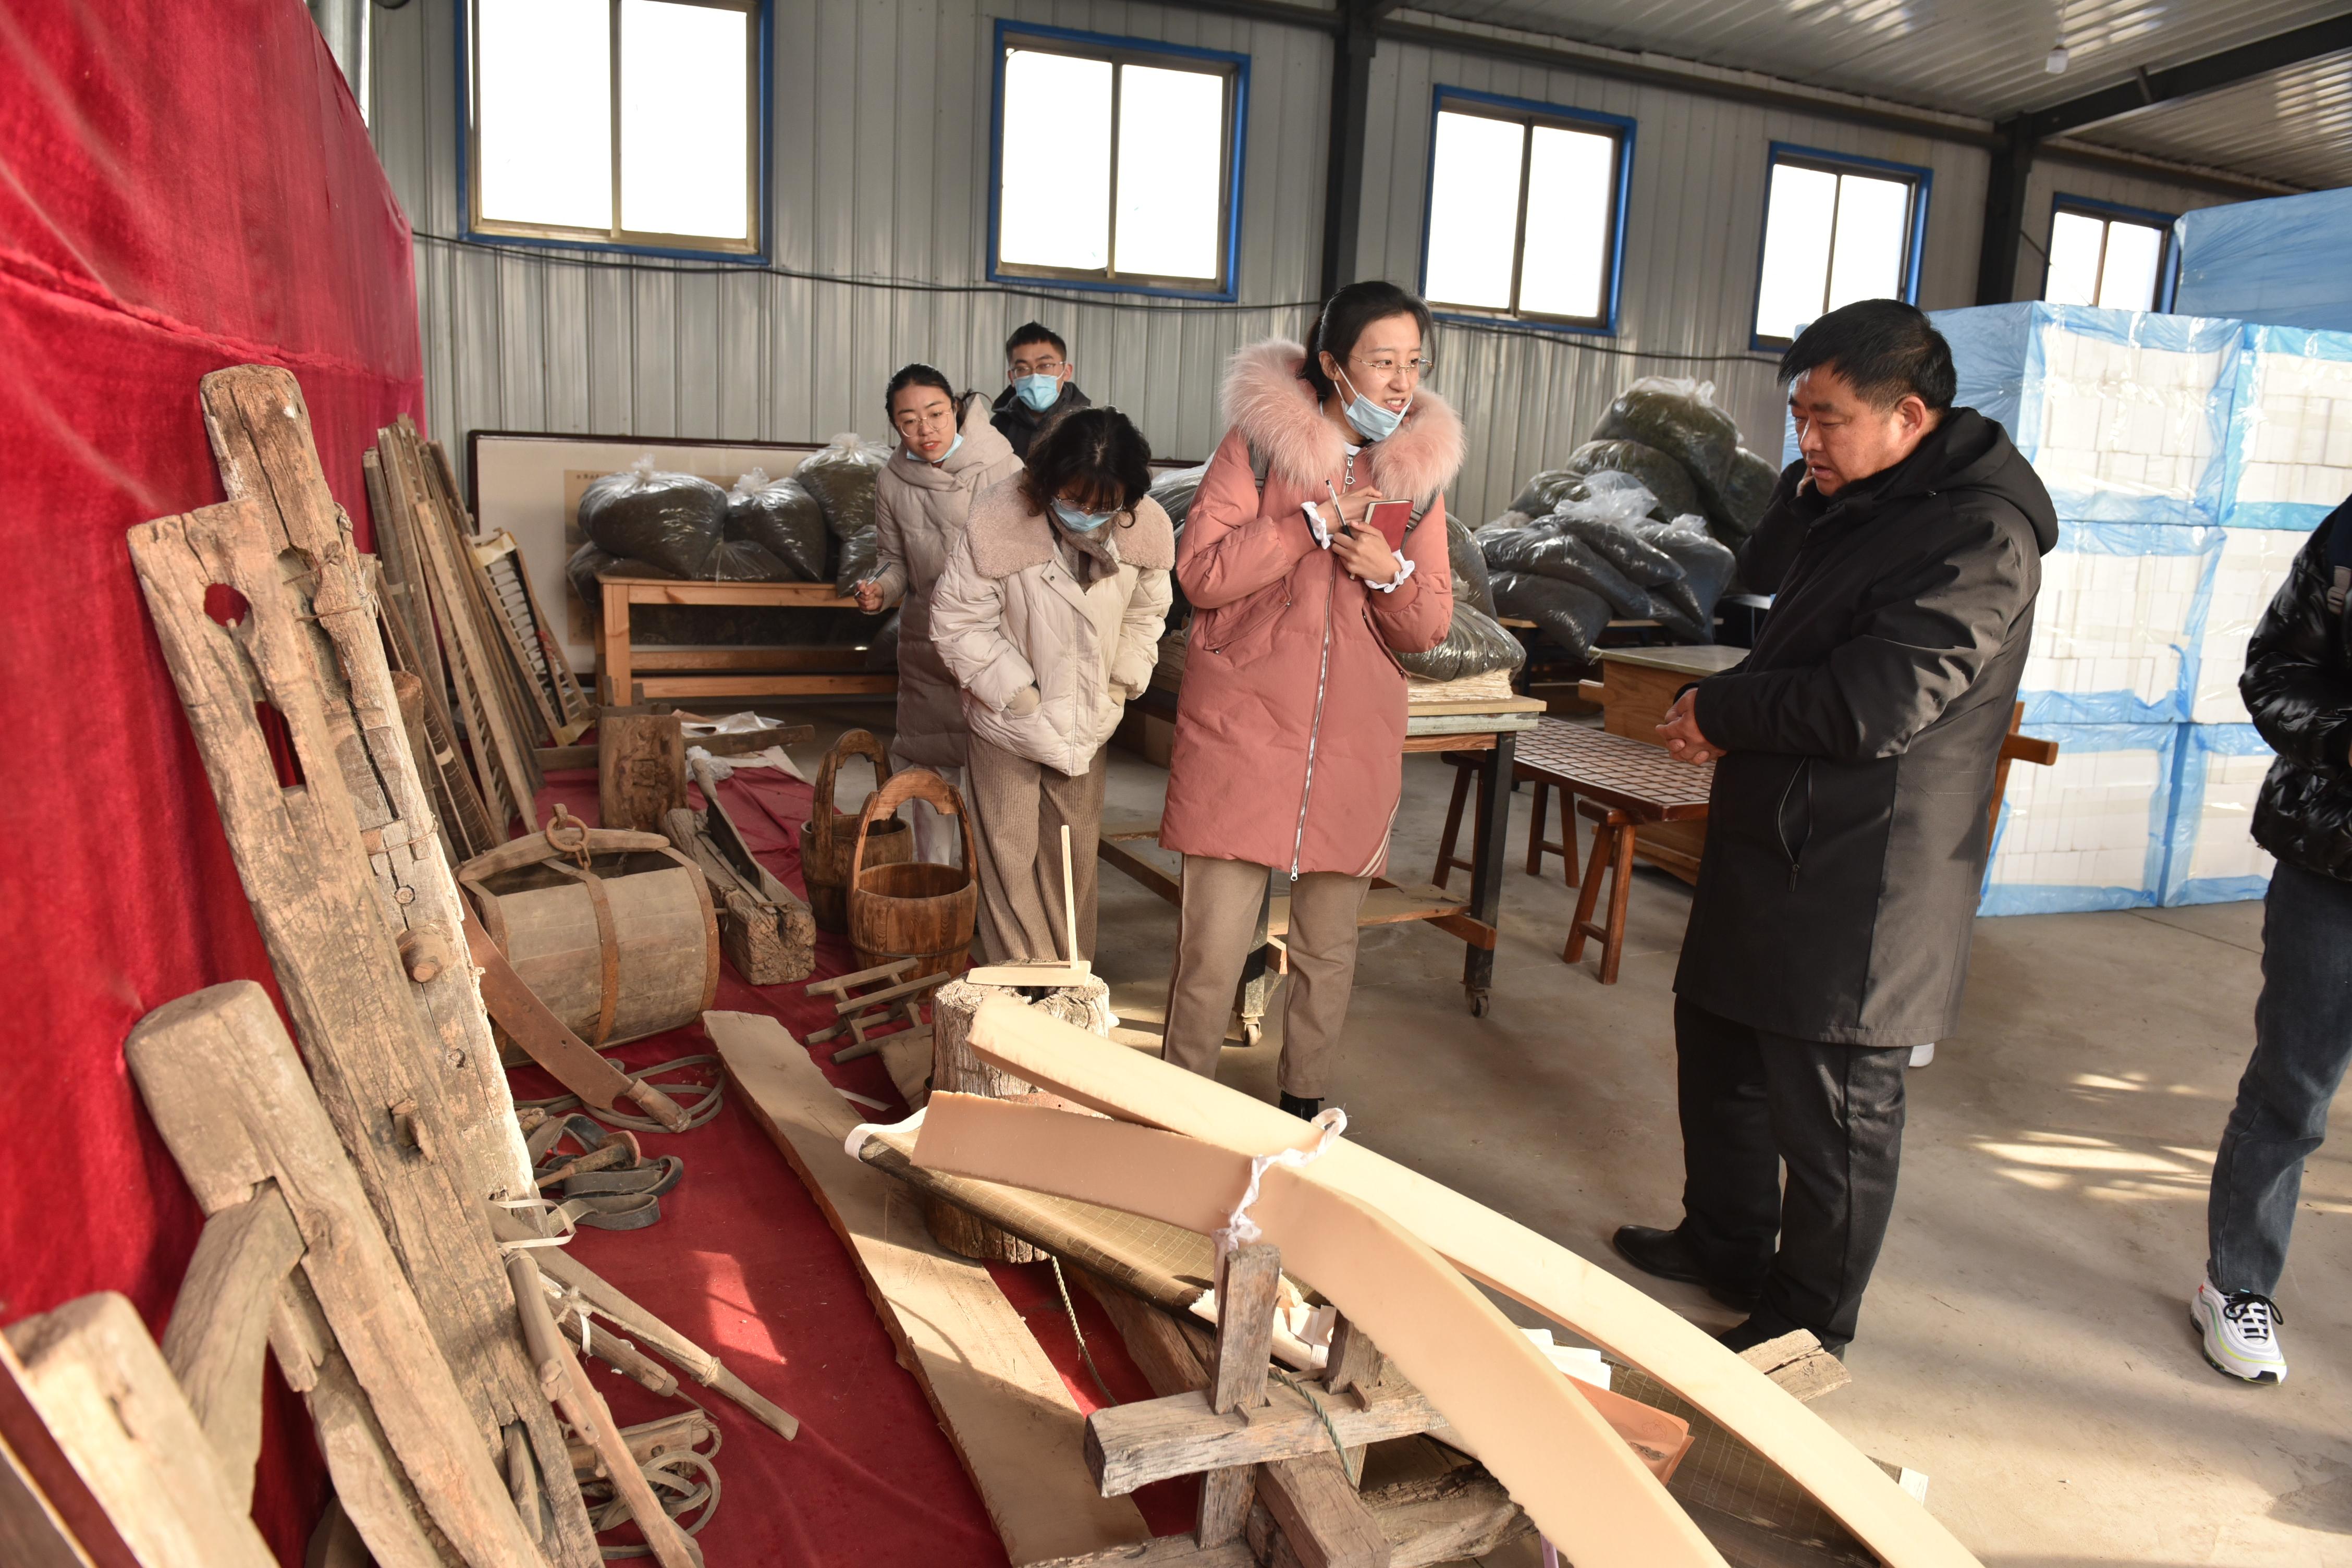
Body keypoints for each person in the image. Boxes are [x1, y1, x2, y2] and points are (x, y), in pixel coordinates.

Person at [1612, 299, 2057, 1356]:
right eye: (1797, 417)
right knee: (1719, 1049)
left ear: (1909, 416)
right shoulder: (1854, 495)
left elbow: (1876, 702)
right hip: (1781, 833)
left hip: (1867, 870)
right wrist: (1806, 488)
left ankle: (1808, 1322)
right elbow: (1758, 586)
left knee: (1835, 1110)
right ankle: (1724, 1241)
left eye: (1827, 419)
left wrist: (1723, 712)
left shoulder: (1979, 535)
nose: (1806, 438)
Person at [1155, 281, 1460, 1119]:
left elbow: (1428, 626)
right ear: (1333, 364)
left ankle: (1302, 1109)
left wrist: (1389, 575)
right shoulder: (1261, 447)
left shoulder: (1416, 478)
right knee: (1212, 951)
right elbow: (1201, 574)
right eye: (1382, 362)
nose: (1400, 383)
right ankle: (1175, 1111)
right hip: (1242, 730)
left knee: (1329, 952)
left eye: (1414, 364)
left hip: (1353, 743)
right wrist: (1310, 526)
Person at [2190, 492, 2352, 1386]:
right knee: (2294, 1085)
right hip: (2336, 860)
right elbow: (2276, 669)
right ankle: (2237, 1284)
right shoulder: (2350, 536)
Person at [931, 408, 1174, 964]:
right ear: (1047, 480)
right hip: (1008, 721)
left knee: (1073, 862)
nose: (1085, 513)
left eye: (1103, 503)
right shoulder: (999, 517)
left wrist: (1120, 685)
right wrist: (1019, 693)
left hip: (1090, 720)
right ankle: (1021, 986)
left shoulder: (1145, 528)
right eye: (1072, 497)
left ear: (1128, 496)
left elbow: (1146, 614)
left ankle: (1069, 982)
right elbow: (957, 622)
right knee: (1009, 859)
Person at [855, 365, 1023, 859]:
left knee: (996, 768)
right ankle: (935, 880)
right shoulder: (892, 480)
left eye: (935, 414)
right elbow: (893, 559)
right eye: (908, 421)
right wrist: (880, 589)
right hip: (927, 639)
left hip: (995, 636)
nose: (925, 429)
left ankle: (990, 885)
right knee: (929, 765)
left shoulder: (1003, 467)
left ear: (955, 408)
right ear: (895, 425)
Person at [990, 323, 1091, 460]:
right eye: (1022, 369)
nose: (1034, 377)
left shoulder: (1089, 425)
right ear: (1012, 378)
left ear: (1066, 372)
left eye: (1045, 366)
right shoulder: (999, 426)